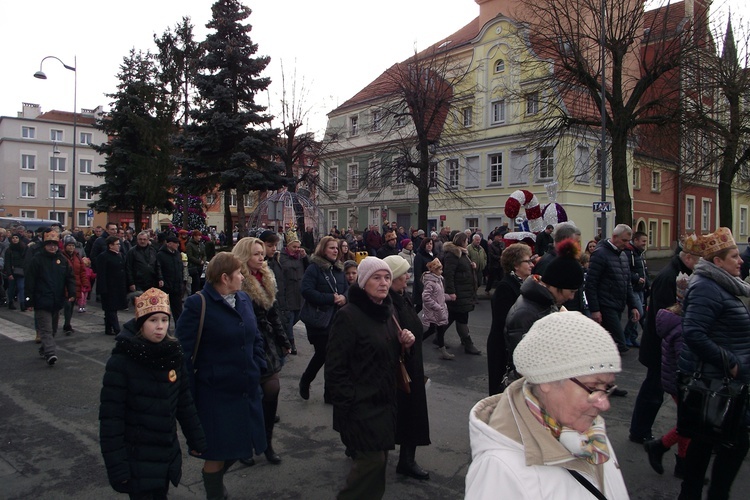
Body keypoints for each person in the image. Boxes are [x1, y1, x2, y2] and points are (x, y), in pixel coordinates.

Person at [466, 311, 629, 499]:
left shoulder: (592, 433)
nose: (604, 404)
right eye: (593, 387)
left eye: (607, 387)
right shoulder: (501, 471)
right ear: (547, 381)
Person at [99, 288, 207, 499]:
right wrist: (118, 467)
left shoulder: (173, 354)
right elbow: (111, 421)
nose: (160, 327)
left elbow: (184, 403)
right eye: (153, 320)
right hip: (137, 459)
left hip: (165, 454)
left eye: (164, 320)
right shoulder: (122, 361)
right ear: (141, 322)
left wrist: (197, 440)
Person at [176, 253, 267, 500]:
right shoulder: (199, 304)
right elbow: (182, 350)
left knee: (243, 444)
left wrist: (258, 362)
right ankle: (215, 493)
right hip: (215, 394)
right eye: (239, 273)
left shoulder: (244, 299)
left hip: (246, 388)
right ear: (225, 278)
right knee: (217, 453)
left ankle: (215, 484)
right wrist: (187, 391)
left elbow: (255, 335)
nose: (243, 277)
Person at [326, 257, 416, 499]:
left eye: (387, 277)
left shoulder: (387, 311)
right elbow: (335, 367)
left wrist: (404, 343)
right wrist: (349, 402)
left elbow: (386, 351)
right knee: (371, 463)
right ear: (364, 282)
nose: (384, 283)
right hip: (361, 405)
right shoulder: (348, 316)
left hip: (385, 402)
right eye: (376, 278)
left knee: (379, 463)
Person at [676, 227, 750, 500]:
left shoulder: (722, 283)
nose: (740, 260)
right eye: (734, 256)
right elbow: (694, 333)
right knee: (733, 442)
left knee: (705, 442)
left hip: (723, 380)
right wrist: (730, 363)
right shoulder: (708, 286)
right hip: (718, 382)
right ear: (717, 262)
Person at [629, 243, 698, 444]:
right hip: (659, 345)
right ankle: (639, 431)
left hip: (661, 344)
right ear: (688, 259)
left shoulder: (676, 273)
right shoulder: (670, 277)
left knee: (653, 389)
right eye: (699, 261)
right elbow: (665, 315)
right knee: (653, 391)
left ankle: (640, 430)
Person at [232, 237, 291, 465]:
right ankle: (245, 445)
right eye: (256, 254)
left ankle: (266, 443)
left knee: (272, 390)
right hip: (246, 344)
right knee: (248, 397)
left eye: (261, 253)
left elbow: (273, 311)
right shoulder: (237, 280)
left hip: (268, 343)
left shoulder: (266, 276)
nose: (261, 257)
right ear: (245, 256)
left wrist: (283, 339)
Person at [383, 255, 431, 481]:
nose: (408, 276)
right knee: (398, 414)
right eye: (404, 273)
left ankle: (407, 460)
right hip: (400, 367)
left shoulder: (402, 297)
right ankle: (366, 453)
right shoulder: (388, 302)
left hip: (413, 365)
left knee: (412, 414)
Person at [643, 273, 691, 479]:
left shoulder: (673, 319)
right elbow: (684, 359)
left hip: (675, 380)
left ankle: (682, 464)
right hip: (682, 382)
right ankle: (659, 446)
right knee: (689, 424)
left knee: (687, 422)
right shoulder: (682, 327)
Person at [299, 236, 349, 403]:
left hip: (337, 319)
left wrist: (344, 298)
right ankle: (306, 380)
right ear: (322, 250)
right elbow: (306, 290)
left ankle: (329, 393)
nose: (336, 250)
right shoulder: (314, 268)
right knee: (323, 354)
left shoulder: (339, 269)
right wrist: (330, 298)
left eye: (337, 248)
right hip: (319, 319)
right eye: (331, 248)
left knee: (332, 357)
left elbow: (347, 289)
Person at [586, 224, 641, 354]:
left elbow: (626, 283)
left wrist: (633, 306)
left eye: (628, 241)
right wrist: (595, 309)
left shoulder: (622, 255)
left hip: (618, 304)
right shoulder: (600, 254)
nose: (627, 244)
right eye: (624, 240)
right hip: (606, 304)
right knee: (619, 342)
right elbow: (591, 283)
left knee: (607, 339)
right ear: (615, 237)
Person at [487, 243, 534, 396]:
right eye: (527, 261)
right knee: (501, 391)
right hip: (502, 347)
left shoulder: (525, 284)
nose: (531, 265)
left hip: (516, 345)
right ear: (516, 265)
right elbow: (504, 320)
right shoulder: (505, 287)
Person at [25, 229, 76, 365]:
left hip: (56, 300)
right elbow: (29, 281)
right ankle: (50, 353)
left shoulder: (62, 260)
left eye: (54, 244)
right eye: (49, 244)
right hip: (41, 300)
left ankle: (44, 348)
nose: (52, 247)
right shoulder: (37, 259)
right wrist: (28, 300)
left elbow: (69, 278)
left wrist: (72, 293)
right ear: (44, 245)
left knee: (53, 330)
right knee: (46, 329)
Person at [442, 232, 481, 355]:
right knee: (461, 317)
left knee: (454, 316)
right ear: (461, 241)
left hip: (465, 291)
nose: (468, 242)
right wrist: (451, 292)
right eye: (466, 240)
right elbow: (449, 274)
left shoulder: (463, 253)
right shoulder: (453, 255)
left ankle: (437, 336)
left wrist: (472, 266)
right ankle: (468, 344)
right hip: (459, 292)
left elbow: (462, 268)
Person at [279, 237, 309, 355]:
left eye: (298, 247)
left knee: (297, 317)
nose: (296, 249)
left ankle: (284, 337)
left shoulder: (300, 258)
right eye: (294, 247)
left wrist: (305, 257)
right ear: (288, 247)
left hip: (299, 293)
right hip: (288, 292)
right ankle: (291, 343)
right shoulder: (282, 257)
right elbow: (285, 268)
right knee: (289, 319)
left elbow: (309, 267)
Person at [421, 258, 455, 360]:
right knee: (434, 330)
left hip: (438, 310)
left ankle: (443, 350)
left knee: (437, 330)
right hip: (435, 311)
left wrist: (449, 297)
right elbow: (426, 297)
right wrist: (437, 306)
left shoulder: (438, 280)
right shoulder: (431, 282)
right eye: (440, 270)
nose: (442, 271)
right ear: (434, 271)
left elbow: (439, 295)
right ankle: (417, 343)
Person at [96, 236, 128, 337]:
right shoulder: (103, 256)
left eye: (119, 244)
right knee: (111, 309)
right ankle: (117, 329)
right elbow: (101, 274)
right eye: (117, 244)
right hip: (109, 287)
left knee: (110, 309)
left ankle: (108, 328)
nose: (119, 246)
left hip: (118, 286)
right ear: (110, 245)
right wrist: (102, 289)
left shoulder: (120, 255)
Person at [622, 231, 649, 347]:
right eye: (643, 241)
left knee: (637, 313)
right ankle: (626, 335)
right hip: (633, 288)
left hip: (640, 288)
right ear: (636, 240)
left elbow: (644, 271)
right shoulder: (630, 253)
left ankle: (632, 337)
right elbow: (625, 270)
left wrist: (648, 284)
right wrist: (636, 278)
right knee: (639, 312)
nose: (645, 244)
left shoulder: (640, 254)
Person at [61, 236, 88, 336]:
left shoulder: (77, 257)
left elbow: (82, 271)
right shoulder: (61, 256)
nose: (71, 248)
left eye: (73, 246)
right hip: (65, 285)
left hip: (75, 284)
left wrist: (85, 283)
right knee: (67, 304)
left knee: (71, 305)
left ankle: (67, 323)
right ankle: (67, 325)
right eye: (69, 245)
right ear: (65, 246)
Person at [157, 235, 184, 322]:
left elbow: (181, 270)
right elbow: (158, 268)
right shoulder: (160, 255)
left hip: (177, 287)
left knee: (178, 312)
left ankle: (179, 330)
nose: (178, 245)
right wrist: (161, 279)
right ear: (169, 244)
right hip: (166, 287)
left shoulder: (178, 254)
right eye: (175, 243)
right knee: (165, 311)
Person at [4, 233, 28, 311]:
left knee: (21, 287)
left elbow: (26, 260)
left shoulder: (23, 248)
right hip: (12, 271)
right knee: (11, 288)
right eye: (13, 238)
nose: (15, 239)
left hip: (21, 271)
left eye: (16, 238)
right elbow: (7, 262)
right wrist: (9, 273)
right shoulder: (9, 250)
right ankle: (10, 301)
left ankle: (22, 304)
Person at [412, 237, 435, 313]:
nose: (429, 245)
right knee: (419, 306)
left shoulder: (432, 255)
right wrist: (421, 287)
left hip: (431, 284)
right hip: (423, 283)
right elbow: (417, 273)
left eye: (431, 244)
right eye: (427, 244)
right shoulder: (419, 256)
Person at [186, 230, 207, 295]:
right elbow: (190, 256)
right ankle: (194, 296)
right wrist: (199, 261)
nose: (200, 237)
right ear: (194, 236)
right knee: (196, 283)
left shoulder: (201, 245)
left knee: (199, 282)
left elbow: (204, 254)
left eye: (200, 236)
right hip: (193, 267)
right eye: (198, 236)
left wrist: (203, 260)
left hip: (200, 267)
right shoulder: (190, 245)